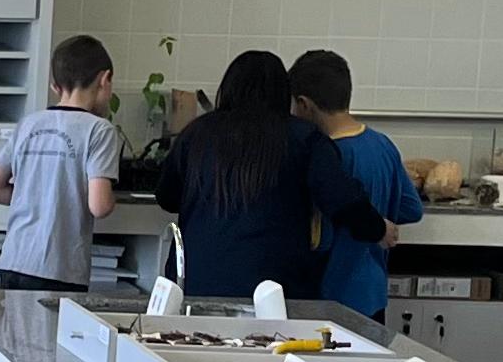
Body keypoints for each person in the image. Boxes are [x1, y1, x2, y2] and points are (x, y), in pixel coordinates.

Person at [155, 49, 387, 301]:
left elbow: (167, 197)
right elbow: (342, 199)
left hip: (195, 282)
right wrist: (378, 229)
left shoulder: (197, 133)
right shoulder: (304, 138)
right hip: (274, 289)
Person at [288, 48, 424, 319]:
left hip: (332, 296)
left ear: (303, 104)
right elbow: (412, 209)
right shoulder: (382, 144)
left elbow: (319, 237)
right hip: (372, 291)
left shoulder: (324, 157)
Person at [0, 33, 120, 292]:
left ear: (55, 86)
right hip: (60, 268)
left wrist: (36, 196)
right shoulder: (99, 130)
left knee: (14, 320)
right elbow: (99, 206)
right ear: (105, 79)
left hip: (14, 260)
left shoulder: (28, 124)